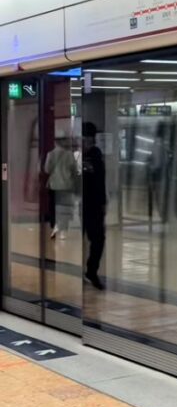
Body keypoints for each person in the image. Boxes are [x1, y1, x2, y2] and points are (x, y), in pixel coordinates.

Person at [82, 121, 106, 289]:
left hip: (92, 204)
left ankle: (91, 271)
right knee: (96, 239)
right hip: (87, 204)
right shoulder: (83, 155)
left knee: (97, 239)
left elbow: (99, 180)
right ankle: (90, 271)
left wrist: (103, 201)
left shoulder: (95, 154)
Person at [44, 135, 78, 239]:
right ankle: (63, 231)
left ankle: (54, 227)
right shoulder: (70, 155)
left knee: (53, 207)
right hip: (67, 185)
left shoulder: (50, 154)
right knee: (65, 209)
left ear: (55, 142)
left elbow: (46, 170)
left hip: (54, 185)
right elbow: (74, 170)